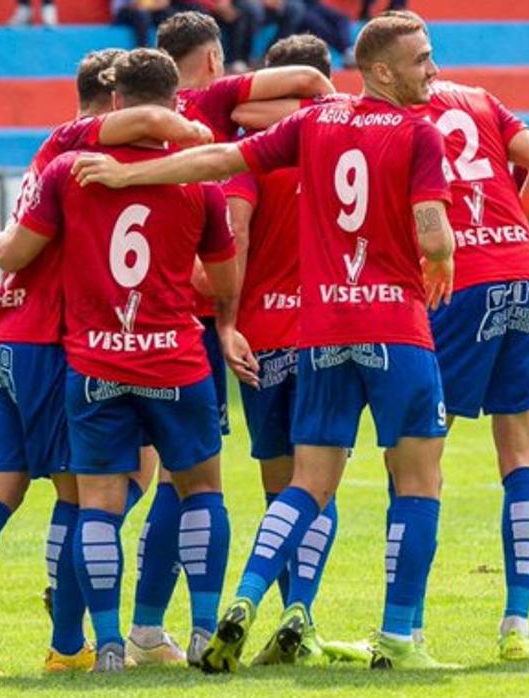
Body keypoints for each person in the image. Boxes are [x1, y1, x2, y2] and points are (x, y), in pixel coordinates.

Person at [73, 13, 458, 672]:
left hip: (323, 331)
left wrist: (128, 176)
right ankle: (398, 637)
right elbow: (432, 233)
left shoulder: (313, 125)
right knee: (419, 479)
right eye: (422, 59)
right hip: (395, 326)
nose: (433, 70)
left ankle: (246, 598)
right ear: (383, 71)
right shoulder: (419, 132)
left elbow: (223, 157)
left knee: (304, 485)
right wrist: (443, 255)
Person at [0, 48, 211, 679]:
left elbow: (9, 249)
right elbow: (154, 124)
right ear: (111, 101)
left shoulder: (44, 161)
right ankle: (68, 639)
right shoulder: (76, 146)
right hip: (49, 341)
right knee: (101, 490)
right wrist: (190, 127)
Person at [0, 47, 254, 673]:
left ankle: (107, 644)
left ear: (115, 102)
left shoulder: (68, 171)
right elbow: (221, 282)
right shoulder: (199, 183)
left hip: (95, 363)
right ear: (175, 102)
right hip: (175, 362)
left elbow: (20, 253)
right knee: (201, 492)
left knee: (100, 504)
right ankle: (199, 630)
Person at [122, 9, 334, 668]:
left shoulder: (125, 118)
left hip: (133, 315)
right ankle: (221, 622)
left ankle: (138, 631)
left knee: (161, 481)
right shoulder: (216, 107)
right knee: (276, 479)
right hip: (215, 315)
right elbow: (304, 83)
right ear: (215, 60)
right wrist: (322, 103)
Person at [411, 45, 529, 664]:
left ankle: (407, 626)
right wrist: (519, 230)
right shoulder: (482, 100)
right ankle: (516, 624)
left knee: (420, 451)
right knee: (520, 448)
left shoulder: (403, 115)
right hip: (524, 277)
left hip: (460, 280)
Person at [223, 33, 343, 667]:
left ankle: (285, 611)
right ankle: (301, 611)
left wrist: (228, 322)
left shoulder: (254, 156)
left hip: (262, 337)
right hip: (330, 333)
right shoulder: (350, 137)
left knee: (282, 492)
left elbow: (236, 231)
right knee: (317, 489)